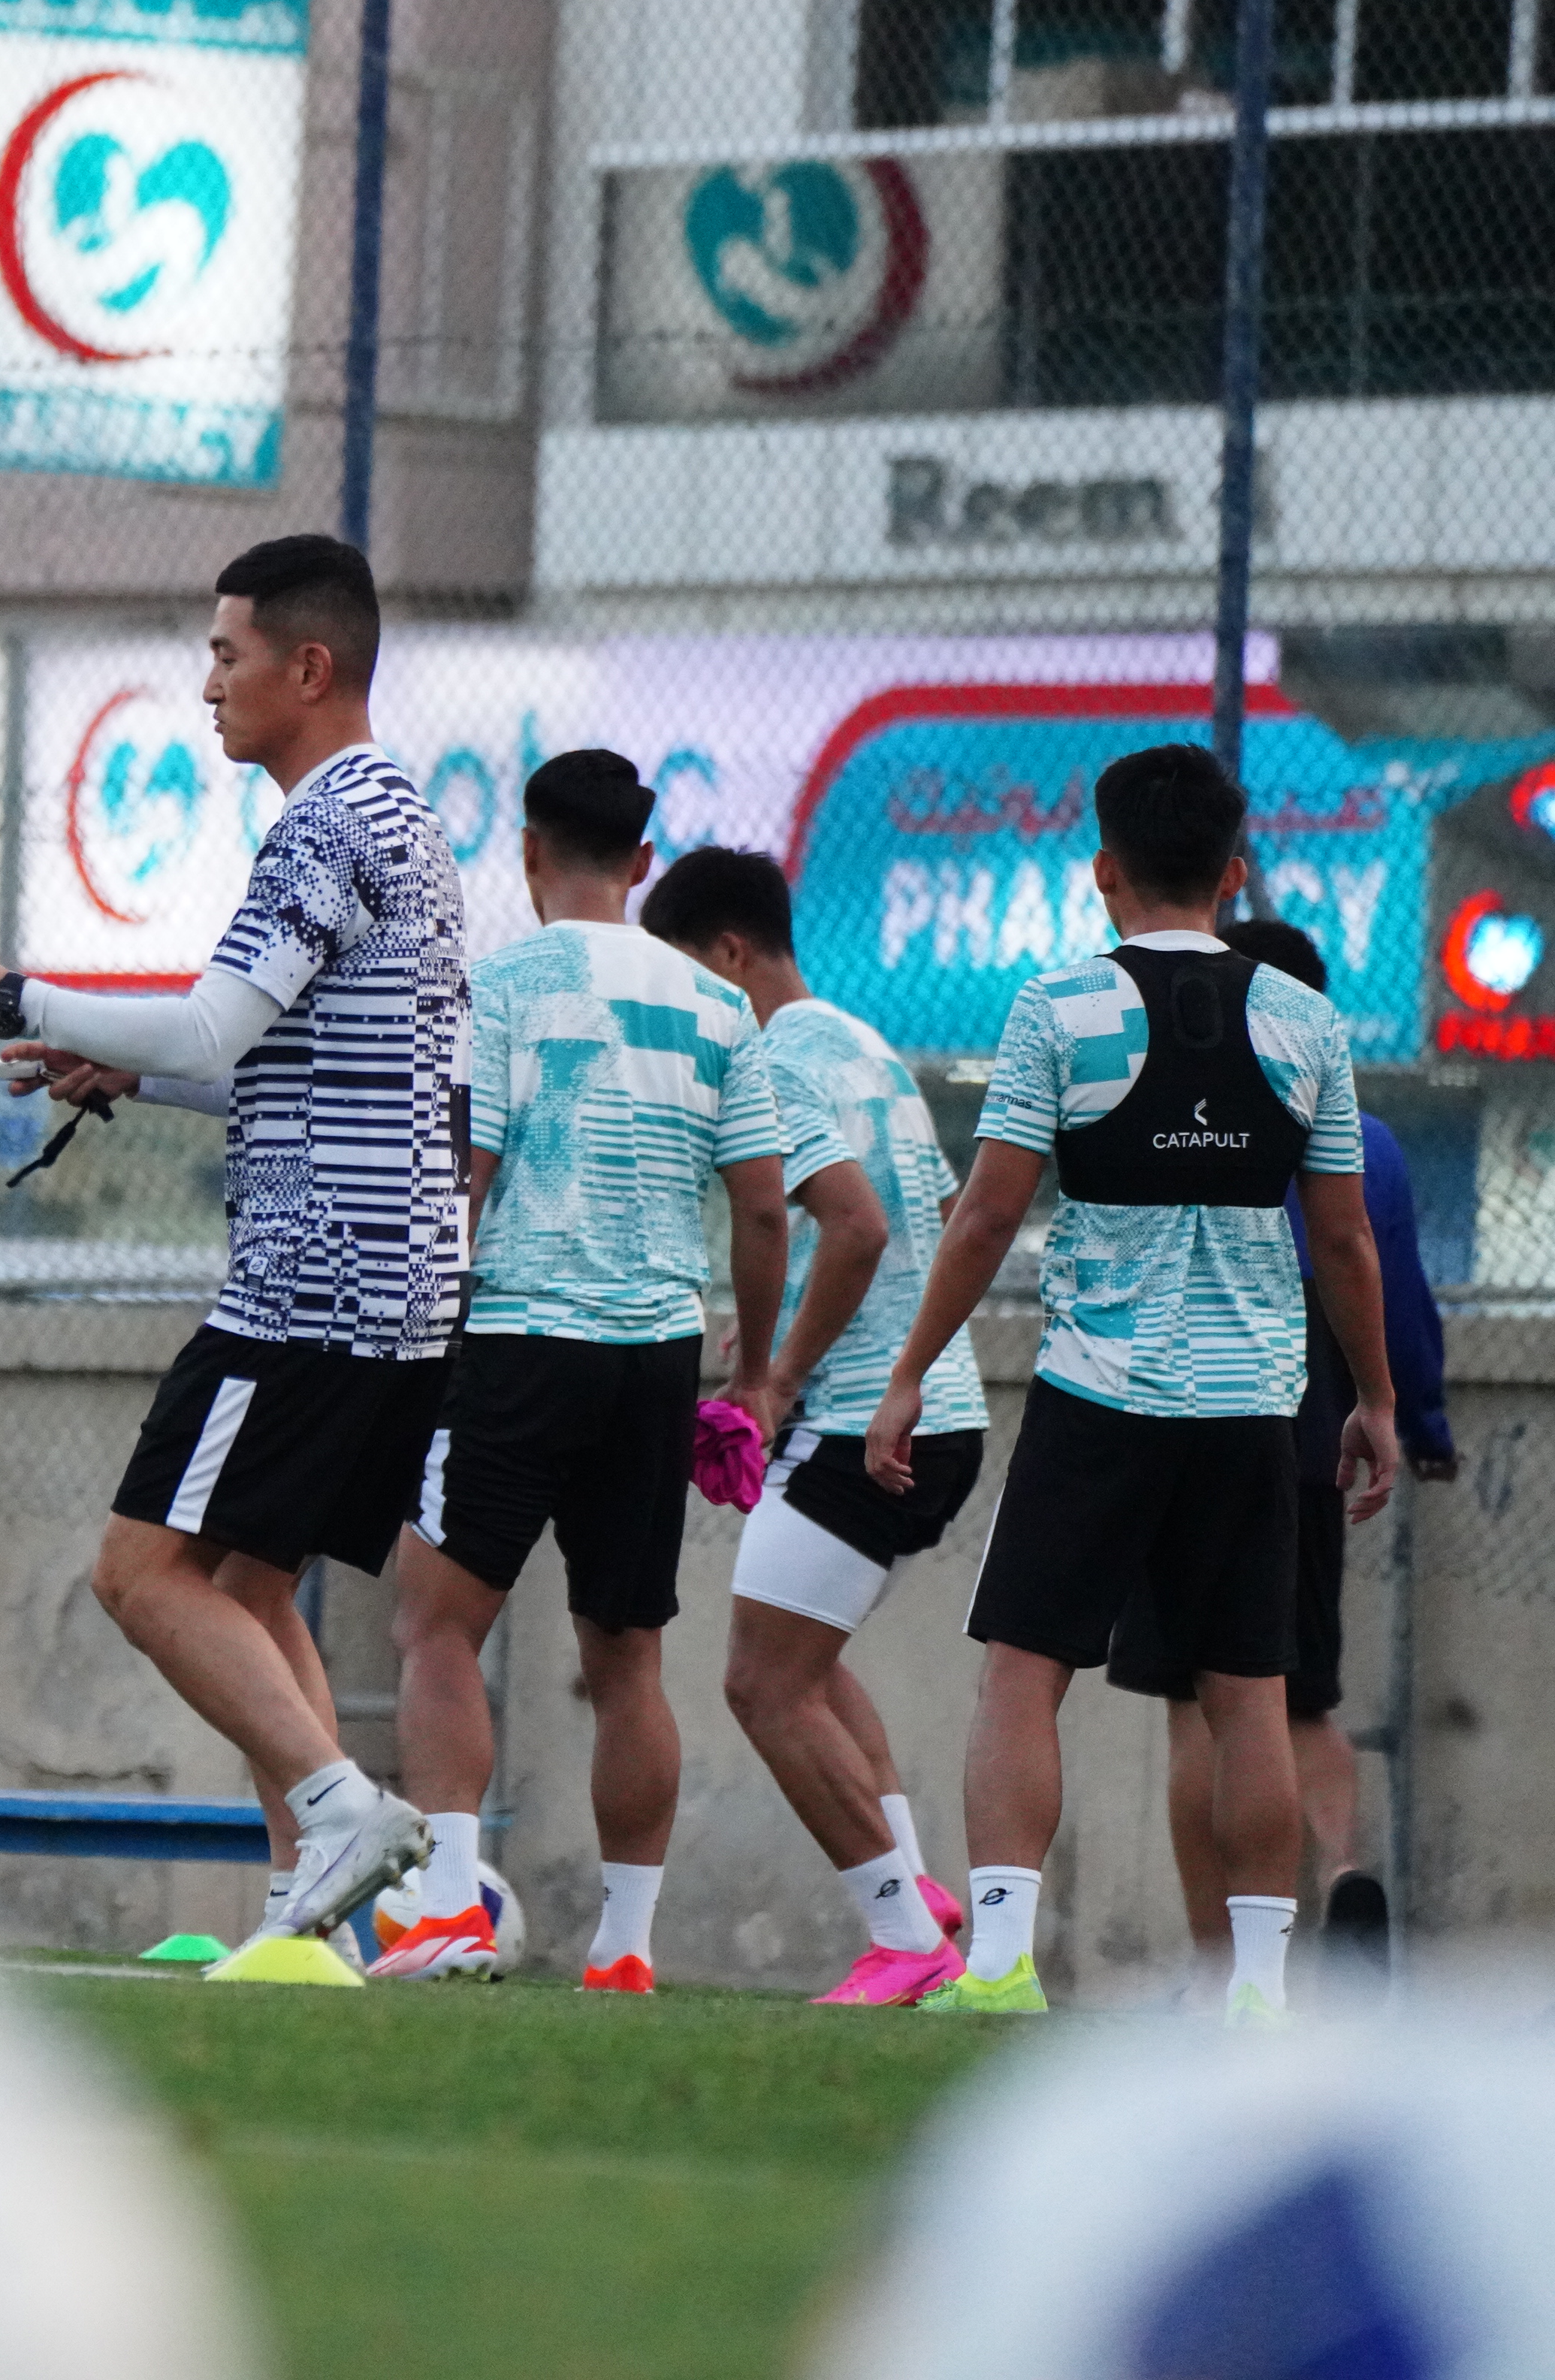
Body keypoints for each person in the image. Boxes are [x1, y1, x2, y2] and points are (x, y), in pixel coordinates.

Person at [0, 536, 465, 1963]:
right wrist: (116, 1072)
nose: (206, 683)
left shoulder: (326, 824)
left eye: (227, 655)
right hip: (395, 1279)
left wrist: (12, 990)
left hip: (309, 1279)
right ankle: (311, 1919)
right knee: (254, 1591)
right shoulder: (397, 814)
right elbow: (287, 1057)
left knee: (141, 1574)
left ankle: (342, 1810)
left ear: (309, 667)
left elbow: (217, 1020)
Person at [865, 743, 1400, 2022]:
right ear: (1234, 872)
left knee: (1021, 1670)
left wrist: (908, 1373)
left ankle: (997, 1966)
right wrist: (1373, 1400)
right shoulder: (1305, 1019)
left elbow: (989, 1216)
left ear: (1101, 870)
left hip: (1097, 1396)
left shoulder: (1058, 1009)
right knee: (1250, 1690)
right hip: (1250, 1407)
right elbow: (1342, 1238)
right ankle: (1261, 1993)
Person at [364, 754, 780, 1995]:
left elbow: (464, 1172)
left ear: (531, 851)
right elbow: (764, 1208)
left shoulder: (497, 985)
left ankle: (448, 1909)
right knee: (628, 1656)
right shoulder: (719, 1004)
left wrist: (413, 1329)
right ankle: (628, 1946)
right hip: (655, 1356)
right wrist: (754, 1373)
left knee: (437, 1626)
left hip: (518, 1337)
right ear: (644, 864)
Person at [642, 844, 984, 2007]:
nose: (685, 1000)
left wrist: (780, 1376)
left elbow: (859, 1229)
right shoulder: (862, 1042)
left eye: (688, 971)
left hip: (863, 1420)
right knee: (807, 1666)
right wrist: (784, 1341)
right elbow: (920, 1220)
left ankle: (903, 1935)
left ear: (731, 955)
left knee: (760, 1685)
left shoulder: (769, 1058)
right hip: (936, 1410)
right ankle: (919, 1894)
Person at [1107, 914, 1456, 1980]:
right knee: (1297, 1694)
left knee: (1194, 1709)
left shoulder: (1187, 1108)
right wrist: (1418, 1420)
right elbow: (1394, 1298)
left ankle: (1223, 1975)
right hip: (1313, 1435)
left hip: (1192, 1396)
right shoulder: (1374, 1142)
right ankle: (1347, 1871)